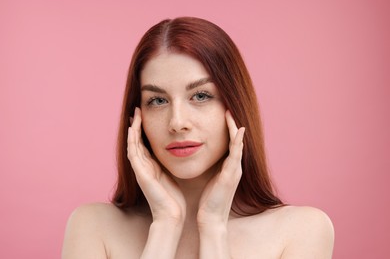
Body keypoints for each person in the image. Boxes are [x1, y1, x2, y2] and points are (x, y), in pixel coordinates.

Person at [62, 17, 334, 258]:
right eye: (157, 100)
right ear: (136, 118)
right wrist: (166, 225)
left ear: (235, 105)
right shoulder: (93, 226)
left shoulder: (300, 231)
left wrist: (214, 227)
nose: (178, 122)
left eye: (201, 96)